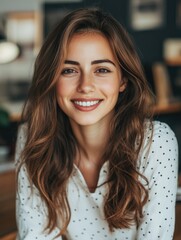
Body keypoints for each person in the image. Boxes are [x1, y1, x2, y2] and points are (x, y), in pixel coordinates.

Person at [15, 8, 178, 240]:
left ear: (122, 80)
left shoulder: (156, 143)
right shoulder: (32, 138)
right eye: (69, 70)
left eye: (101, 70)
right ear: (51, 78)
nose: (86, 85)